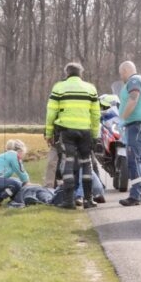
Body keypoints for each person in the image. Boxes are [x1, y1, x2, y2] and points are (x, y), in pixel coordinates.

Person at [45, 62, 101, 210]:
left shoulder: (59, 88)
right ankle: (88, 199)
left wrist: (49, 133)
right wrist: (95, 136)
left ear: (66, 73)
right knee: (86, 163)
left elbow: (51, 113)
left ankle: (69, 200)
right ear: (81, 73)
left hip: (66, 130)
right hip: (85, 131)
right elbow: (96, 115)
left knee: (68, 162)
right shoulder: (91, 89)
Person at [117, 60, 141, 206]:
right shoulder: (139, 80)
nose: (121, 78)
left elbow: (133, 99)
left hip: (136, 126)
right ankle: (140, 192)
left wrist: (122, 118)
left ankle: (135, 195)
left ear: (125, 71)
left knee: (133, 160)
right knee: (140, 159)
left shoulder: (134, 80)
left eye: (121, 74)